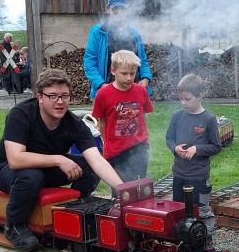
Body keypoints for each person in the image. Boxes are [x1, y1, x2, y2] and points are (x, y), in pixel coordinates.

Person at [0, 69, 124, 252]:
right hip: (6, 169)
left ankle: (77, 209)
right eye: (52, 96)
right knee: (31, 176)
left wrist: (123, 189)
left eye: (64, 96)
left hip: (45, 169)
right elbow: (15, 159)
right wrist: (59, 159)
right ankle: (14, 227)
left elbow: (97, 160)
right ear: (40, 97)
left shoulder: (74, 124)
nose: (60, 102)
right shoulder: (21, 114)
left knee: (87, 166)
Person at [166, 74, 222, 232]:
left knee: (202, 211)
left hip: (199, 177)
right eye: (181, 99)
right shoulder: (177, 116)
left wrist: (197, 149)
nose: (183, 103)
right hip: (179, 175)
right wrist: (175, 148)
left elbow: (216, 146)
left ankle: (207, 238)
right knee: (178, 210)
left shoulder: (209, 119)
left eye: (187, 99)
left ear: (199, 96)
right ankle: (182, 239)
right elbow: (169, 138)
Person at [92, 50, 154, 182]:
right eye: (124, 73)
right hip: (116, 150)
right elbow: (101, 122)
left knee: (140, 185)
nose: (129, 78)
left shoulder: (141, 91)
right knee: (120, 190)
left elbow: (142, 116)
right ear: (113, 71)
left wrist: (145, 139)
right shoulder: (103, 94)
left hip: (139, 148)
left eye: (132, 73)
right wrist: (106, 143)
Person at [83, 0, 152, 100]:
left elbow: (142, 60)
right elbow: (89, 62)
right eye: (115, 10)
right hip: (106, 91)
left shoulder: (134, 33)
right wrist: (100, 84)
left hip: (133, 90)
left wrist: (146, 78)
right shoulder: (97, 32)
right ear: (108, 9)